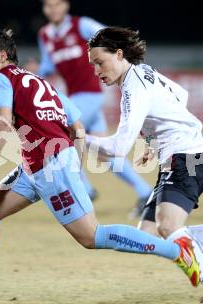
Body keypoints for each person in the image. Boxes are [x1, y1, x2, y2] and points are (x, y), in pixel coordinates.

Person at [0, 29, 201, 304]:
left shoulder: (0, 78)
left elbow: (0, 121)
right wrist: (72, 164)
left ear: (1, 57)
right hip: (37, 166)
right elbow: (77, 126)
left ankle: (176, 251)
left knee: (91, 236)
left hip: (49, 166)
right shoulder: (38, 81)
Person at [86, 27, 203, 304]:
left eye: (99, 62)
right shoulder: (143, 71)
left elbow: (118, 149)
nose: (96, 70)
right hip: (181, 157)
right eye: (93, 64)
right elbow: (180, 95)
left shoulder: (133, 86)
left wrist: (79, 139)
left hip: (187, 158)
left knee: (168, 227)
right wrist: (155, 139)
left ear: (119, 54)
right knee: (150, 235)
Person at [34, 0, 152, 215]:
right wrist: (32, 72)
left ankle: (86, 191)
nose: (53, 9)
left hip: (91, 95)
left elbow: (109, 38)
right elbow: (47, 66)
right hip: (77, 99)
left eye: (57, 4)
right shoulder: (45, 35)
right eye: (48, 5)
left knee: (58, 137)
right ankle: (145, 193)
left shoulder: (82, 25)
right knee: (105, 153)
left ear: (66, 6)